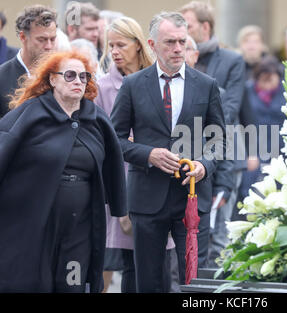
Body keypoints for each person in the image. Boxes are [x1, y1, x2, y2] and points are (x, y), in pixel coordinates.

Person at [110, 11, 225, 293]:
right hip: (147, 198)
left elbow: (220, 140)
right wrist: (148, 154)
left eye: (182, 42)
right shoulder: (133, 85)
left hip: (192, 197)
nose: (177, 49)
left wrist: (204, 165)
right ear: (151, 44)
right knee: (148, 281)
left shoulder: (206, 85)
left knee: (195, 282)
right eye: (169, 42)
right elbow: (114, 140)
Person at [0, 50, 126, 292]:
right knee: (36, 281)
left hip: (80, 224)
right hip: (35, 220)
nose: (78, 81)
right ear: (52, 79)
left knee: (72, 281)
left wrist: (120, 206)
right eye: (70, 75)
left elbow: (113, 159)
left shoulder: (96, 119)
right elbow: (4, 146)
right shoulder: (31, 113)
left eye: (84, 76)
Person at [180, 1, 246, 268]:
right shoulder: (174, 64)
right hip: (187, 159)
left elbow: (230, 110)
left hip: (222, 154)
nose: (182, 31)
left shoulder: (231, 60)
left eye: (188, 25)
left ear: (205, 26)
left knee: (219, 233)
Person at [95, 16, 154, 293]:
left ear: (138, 45)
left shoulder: (157, 80)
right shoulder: (102, 87)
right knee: (122, 260)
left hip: (156, 179)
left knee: (157, 261)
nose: (115, 51)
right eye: (111, 46)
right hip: (120, 181)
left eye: (121, 45)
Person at [238, 55, 286, 211]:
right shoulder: (247, 90)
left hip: (279, 149)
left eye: (271, 80)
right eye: (263, 80)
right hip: (254, 147)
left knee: (278, 192)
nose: (267, 85)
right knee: (249, 192)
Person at [0, 5, 57, 118]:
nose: (49, 46)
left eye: (53, 39)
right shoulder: (2, 77)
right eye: (42, 39)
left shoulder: (64, 75)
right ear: (22, 37)